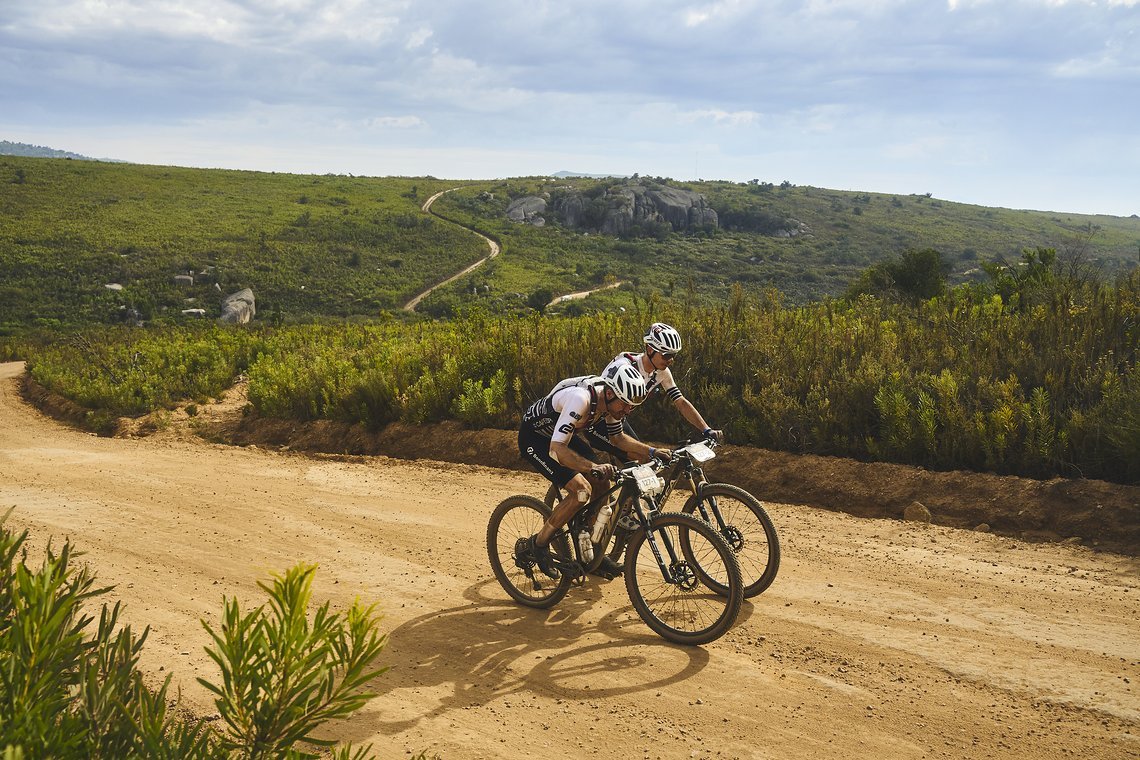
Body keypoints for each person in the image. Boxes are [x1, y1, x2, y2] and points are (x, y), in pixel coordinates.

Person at [517, 364, 662, 579]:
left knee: (603, 484)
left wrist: (652, 451)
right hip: (536, 439)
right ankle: (539, 543)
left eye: (631, 406)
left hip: (562, 437)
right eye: (625, 405)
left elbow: (618, 438)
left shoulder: (613, 402)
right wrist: (591, 467)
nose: (627, 411)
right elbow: (556, 450)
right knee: (581, 491)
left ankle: (591, 550)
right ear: (611, 393)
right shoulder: (580, 400)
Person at [587, 322, 723, 454]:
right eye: (666, 355)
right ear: (650, 350)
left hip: (618, 420)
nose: (671, 360)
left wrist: (706, 429)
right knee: (641, 458)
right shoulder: (623, 366)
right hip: (598, 421)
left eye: (673, 355)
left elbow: (680, 402)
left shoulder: (661, 372)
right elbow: (604, 396)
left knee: (648, 461)